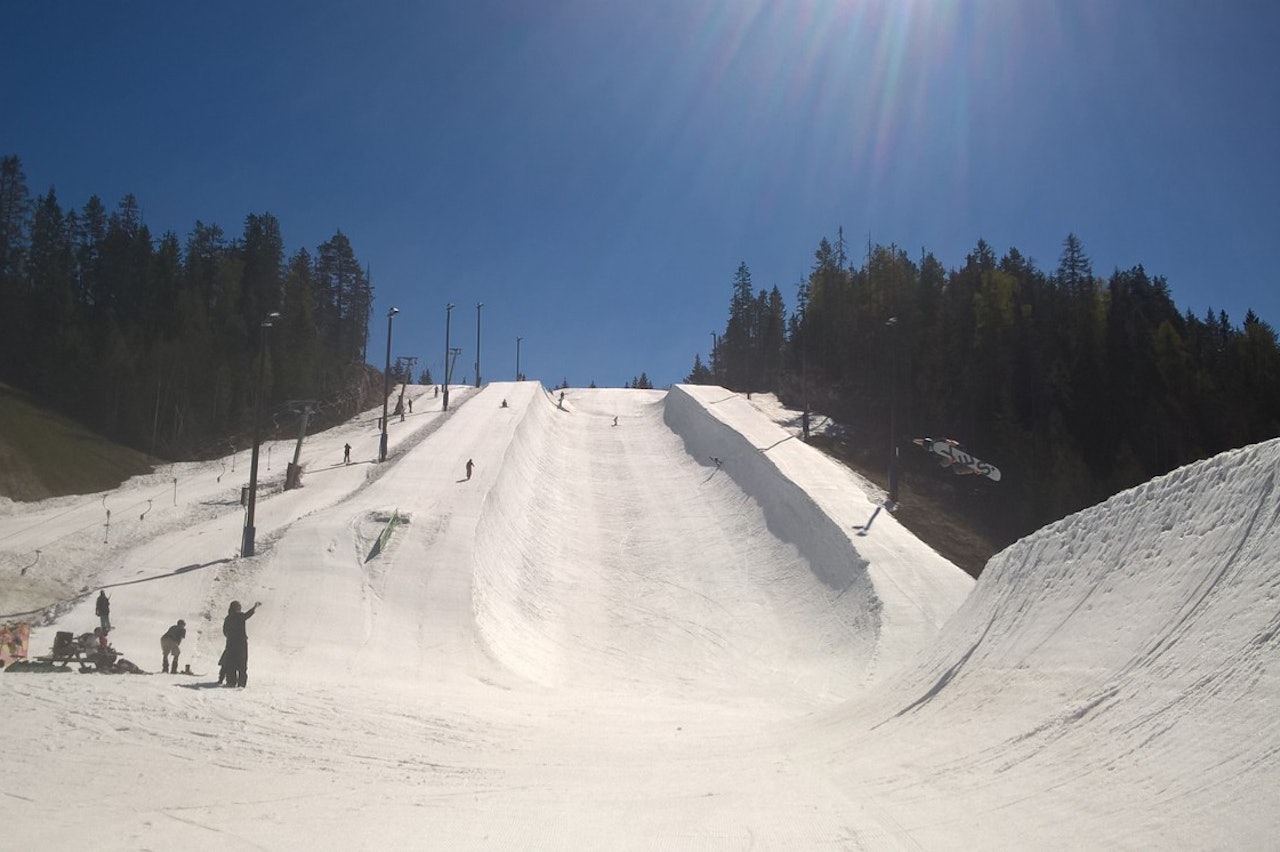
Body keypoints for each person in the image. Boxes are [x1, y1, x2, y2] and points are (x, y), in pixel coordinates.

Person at [220, 600, 260, 688]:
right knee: (242, 664)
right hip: (241, 643)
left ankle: (231, 681)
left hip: (231, 643)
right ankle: (241, 683)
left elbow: (224, 631)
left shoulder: (228, 618)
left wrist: (230, 637)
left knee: (231, 663)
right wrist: (254, 607)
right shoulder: (240, 616)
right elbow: (247, 615)